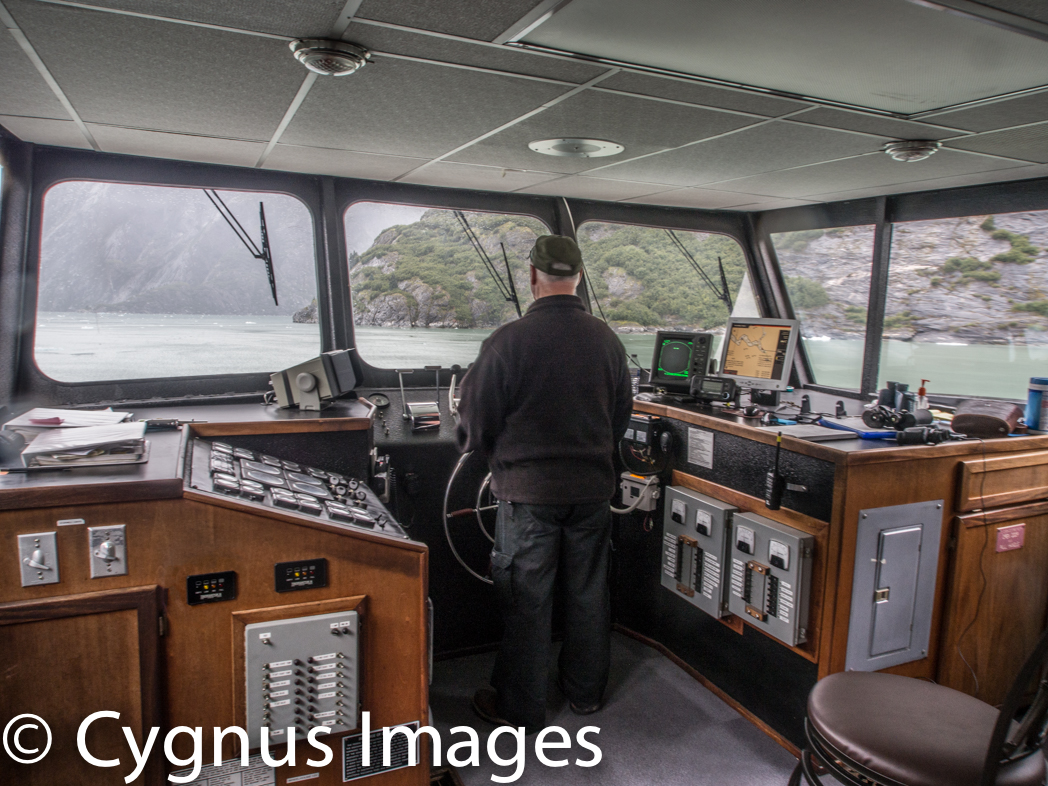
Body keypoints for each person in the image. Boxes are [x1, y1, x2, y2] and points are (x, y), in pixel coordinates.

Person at [455, 234, 633, 732]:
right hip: (593, 493)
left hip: (528, 497)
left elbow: (473, 425)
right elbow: (620, 417)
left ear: (531, 277)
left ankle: (521, 708)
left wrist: (480, 445)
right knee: (589, 595)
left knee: (526, 600)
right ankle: (585, 696)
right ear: (577, 277)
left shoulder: (506, 343)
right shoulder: (607, 340)